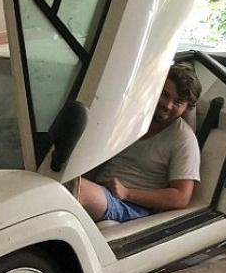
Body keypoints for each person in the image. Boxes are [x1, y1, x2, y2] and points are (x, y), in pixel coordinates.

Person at [77, 63, 202, 222]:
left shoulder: (183, 139)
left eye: (177, 102)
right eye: (164, 94)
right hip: (101, 190)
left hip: (131, 206)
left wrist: (127, 192)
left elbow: (181, 197)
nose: (167, 105)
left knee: (75, 190)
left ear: (186, 108)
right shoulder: (133, 117)